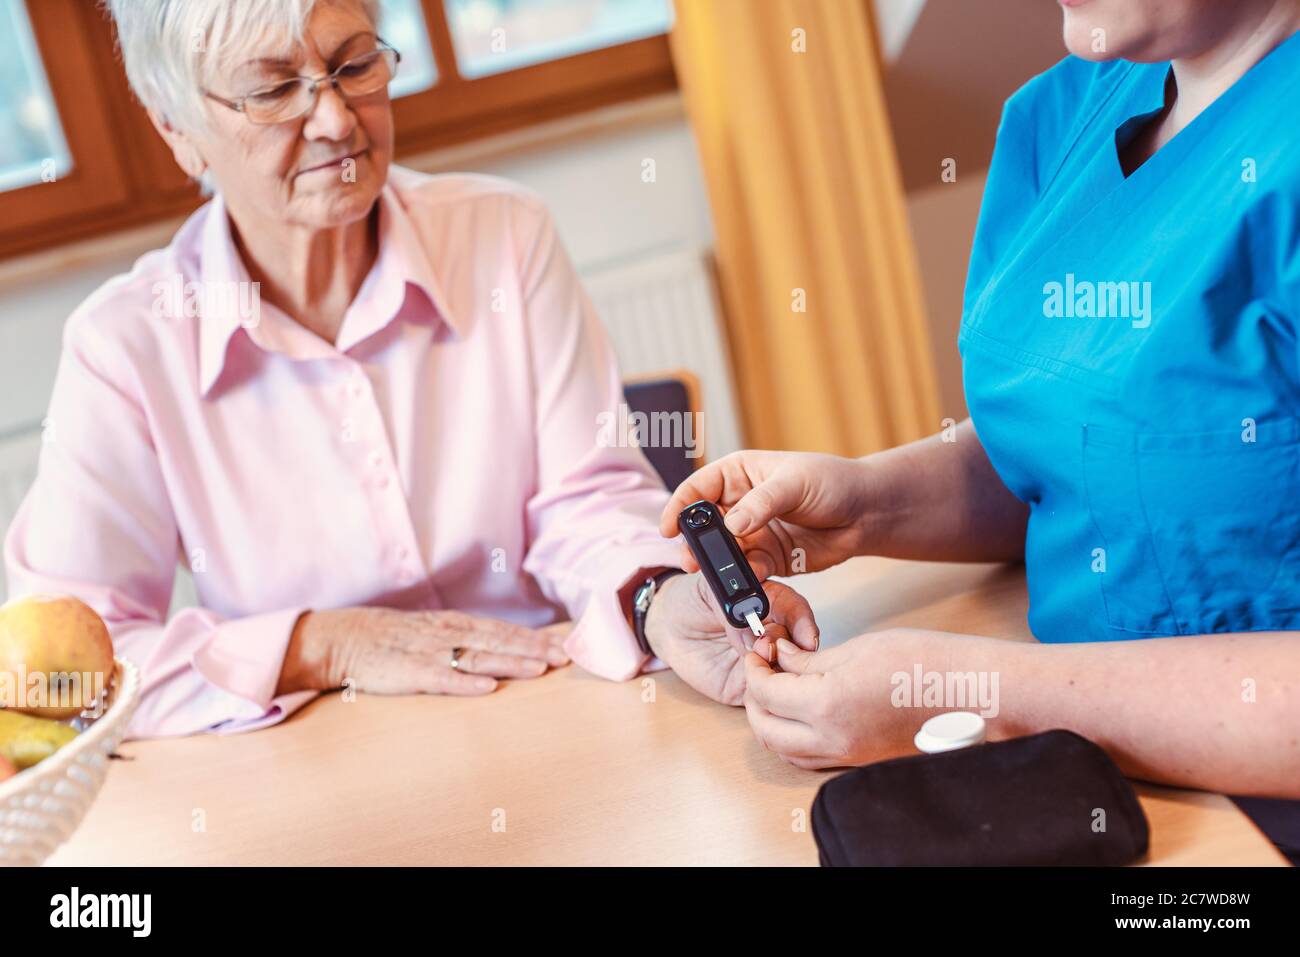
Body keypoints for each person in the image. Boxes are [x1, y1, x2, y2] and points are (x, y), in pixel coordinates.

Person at [3, 0, 817, 738]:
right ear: (175, 127)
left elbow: (587, 505)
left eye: (354, 65)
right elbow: (64, 672)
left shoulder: (505, 235)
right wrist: (320, 645)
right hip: (320, 776)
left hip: (557, 714)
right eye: (273, 89)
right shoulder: (123, 347)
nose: (332, 119)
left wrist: (656, 601)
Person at [661, 0, 1300, 860]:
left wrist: (972, 691)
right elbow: (1094, 455)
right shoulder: (1062, 114)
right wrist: (865, 504)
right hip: (1087, 786)